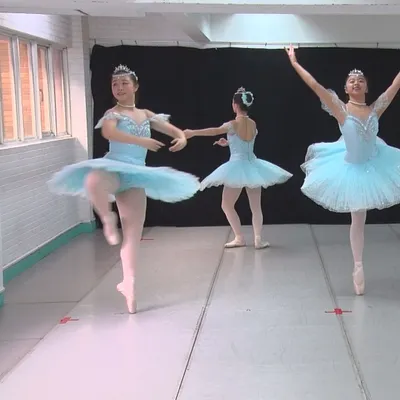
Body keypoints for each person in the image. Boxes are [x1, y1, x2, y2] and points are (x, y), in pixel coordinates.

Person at [48, 65, 200, 313]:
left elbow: (174, 130)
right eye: (114, 84)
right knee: (93, 180)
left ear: (135, 86)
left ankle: (129, 284)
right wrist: (142, 141)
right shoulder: (112, 113)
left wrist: (181, 138)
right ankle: (107, 217)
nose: (119, 88)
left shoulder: (146, 114)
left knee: (132, 234)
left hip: (136, 175)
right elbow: (109, 133)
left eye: (124, 83)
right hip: (115, 169)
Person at [285, 44, 400, 295]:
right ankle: (358, 266)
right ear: (346, 88)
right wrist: (294, 62)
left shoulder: (375, 109)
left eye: (360, 80)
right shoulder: (341, 109)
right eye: (351, 81)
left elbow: (395, 85)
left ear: (366, 87)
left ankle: (358, 265)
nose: (356, 83)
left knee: (360, 218)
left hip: (375, 163)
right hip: (352, 168)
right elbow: (315, 85)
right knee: (357, 218)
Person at [184, 87, 293, 249]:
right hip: (254, 166)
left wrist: (193, 132)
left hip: (236, 167)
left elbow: (214, 131)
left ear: (235, 105)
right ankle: (258, 239)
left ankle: (239, 237)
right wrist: (229, 142)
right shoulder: (253, 123)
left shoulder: (232, 124)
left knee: (226, 204)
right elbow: (245, 142)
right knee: (256, 207)